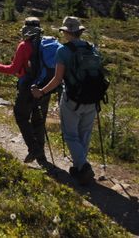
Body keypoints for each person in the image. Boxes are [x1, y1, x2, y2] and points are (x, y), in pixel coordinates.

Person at [31, 16, 99, 185]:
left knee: (70, 135)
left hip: (72, 98)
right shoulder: (92, 48)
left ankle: (83, 167)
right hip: (92, 98)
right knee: (85, 133)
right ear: (80, 31)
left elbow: (57, 79)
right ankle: (79, 167)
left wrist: (41, 91)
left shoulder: (63, 51)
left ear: (67, 32)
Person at [0, 18, 50, 164]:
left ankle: (34, 149)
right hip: (45, 87)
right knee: (38, 121)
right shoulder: (47, 44)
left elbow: (12, 69)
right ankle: (42, 157)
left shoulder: (24, 46)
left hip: (27, 87)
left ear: (25, 29)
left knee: (21, 116)